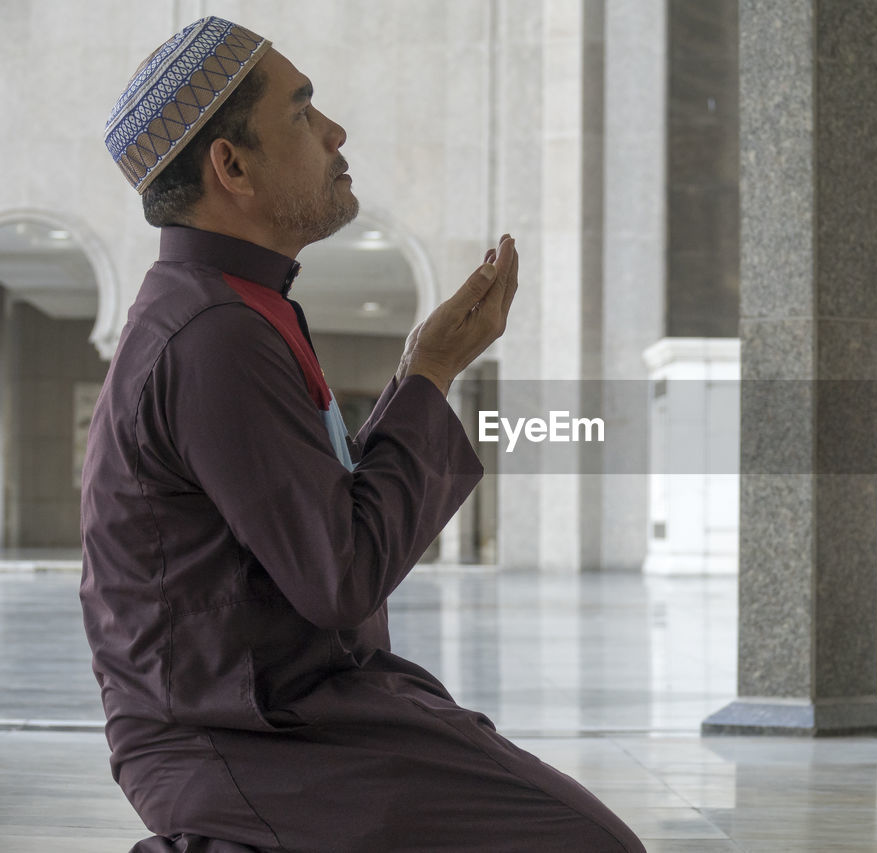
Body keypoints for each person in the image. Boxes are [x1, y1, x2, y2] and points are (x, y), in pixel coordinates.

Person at [82, 17, 645, 853]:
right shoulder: (211, 335)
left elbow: (323, 530)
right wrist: (428, 376)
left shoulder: (235, 309)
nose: (336, 132)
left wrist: (426, 370)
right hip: (242, 737)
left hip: (296, 707)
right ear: (230, 166)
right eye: (303, 111)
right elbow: (339, 577)